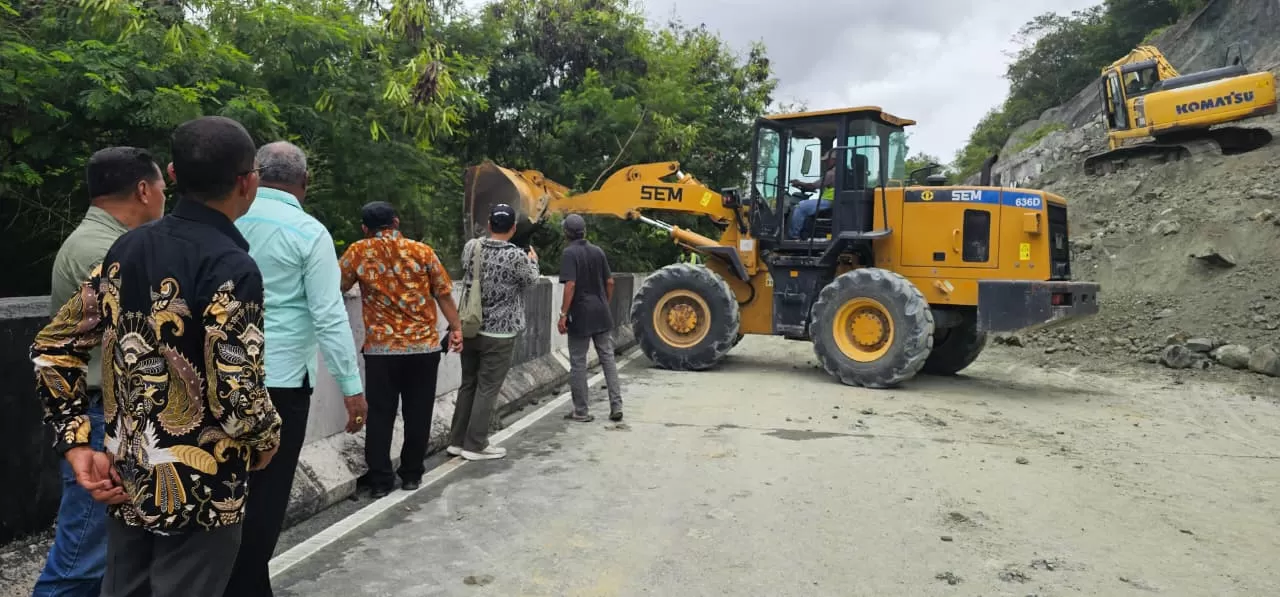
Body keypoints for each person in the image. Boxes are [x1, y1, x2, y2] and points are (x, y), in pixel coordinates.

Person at [30, 115, 282, 597]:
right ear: (247, 182)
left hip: (130, 474)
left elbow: (53, 345)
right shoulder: (231, 264)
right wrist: (266, 435)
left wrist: (76, 440)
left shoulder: (125, 249)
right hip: (203, 489)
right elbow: (236, 391)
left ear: (171, 172)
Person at [222, 141, 368, 597]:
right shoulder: (309, 233)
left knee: (219, 492)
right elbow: (328, 314)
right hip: (281, 384)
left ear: (253, 175)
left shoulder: (223, 221)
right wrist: (351, 387)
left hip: (216, 377)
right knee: (264, 499)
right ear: (304, 184)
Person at [32, 146, 167, 597]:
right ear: (144, 190)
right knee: (79, 565)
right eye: (163, 190)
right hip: (98, 419)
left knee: (109, 561)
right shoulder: (105, 251)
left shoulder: (100, 241)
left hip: (105, 414)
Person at [339, 201, 462, 498]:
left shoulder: (359, 251)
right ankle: (411, 474)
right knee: (418, 413)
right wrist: (456, 328)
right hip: (423, 348)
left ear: (365, 228)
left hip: (382, 351)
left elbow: (337, 287)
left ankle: (381, 481)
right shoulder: (422, 251)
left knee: (380, 414)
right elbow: (443, 293)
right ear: (396, 222)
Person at [448, 204, 540, 461]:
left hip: (470, 326)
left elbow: (467, 269)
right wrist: (534, 263)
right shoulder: (516, 256)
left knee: (468, 384)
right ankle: (475, 444)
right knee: (487, 387)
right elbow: (531, 282)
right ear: (512, 228)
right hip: (500, 334)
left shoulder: (472, 247)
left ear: (489, 224)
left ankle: (456, 441)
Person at [556, 214, 623, 422]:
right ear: (584, 231)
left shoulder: (569, 253)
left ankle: (581, 411)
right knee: (607, 358)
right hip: (601, 312)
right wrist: (604, 302)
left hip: (581, 314)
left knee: (578, 361)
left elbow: (571, 285)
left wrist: (563, 314)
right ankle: (616, 405)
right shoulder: (598, 251)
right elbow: (610, 282)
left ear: (566, 233)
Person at [788, 148, 836, 239]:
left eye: (827, 160)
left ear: (834, 160)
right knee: (806, 207)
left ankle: (794, 236)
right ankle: (805, 234)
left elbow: (813, 186)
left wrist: (799, 183)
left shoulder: (832, 174)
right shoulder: (840, 172)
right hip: (832, 201)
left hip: (829, 202)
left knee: (800, 207)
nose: (825, 162)